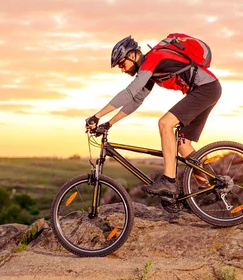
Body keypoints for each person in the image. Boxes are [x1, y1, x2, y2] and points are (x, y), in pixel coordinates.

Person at [85, 35, 222, 197]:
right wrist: (110, 123)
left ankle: (169, 181)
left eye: (122, 63)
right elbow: (136, 100)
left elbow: (129, 92)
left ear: (133, 55)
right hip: (205, 90)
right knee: (183, 144)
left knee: (165, 123)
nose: (122, 69)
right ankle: (208, 189)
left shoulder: (153, 58)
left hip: (206, 89)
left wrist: (97, 116)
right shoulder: (150, 70)